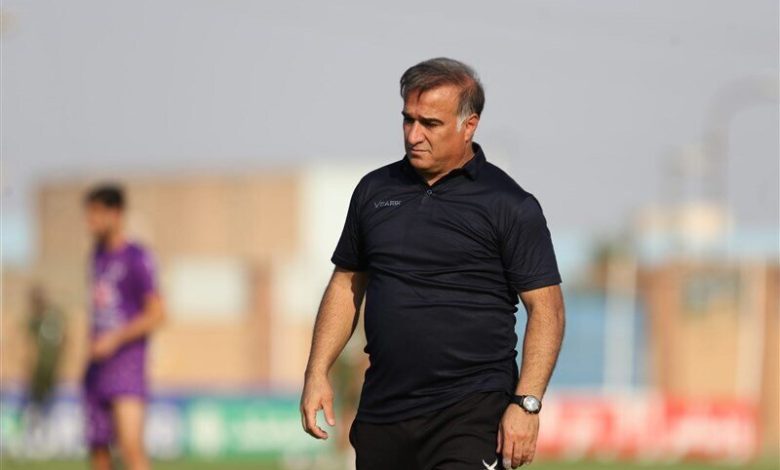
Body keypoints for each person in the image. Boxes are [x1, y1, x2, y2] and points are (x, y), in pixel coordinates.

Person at [300, 57, 566, 470]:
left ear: (469, 125)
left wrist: (526, 403)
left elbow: (547, 309)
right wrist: (317, 371)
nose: (414, 135)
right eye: (408, 120)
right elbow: (346, 284)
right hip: (384, 412)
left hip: (471, 412)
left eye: (430, 123)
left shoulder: (509, 204)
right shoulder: (374, 191)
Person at [82, 184, 165, 470]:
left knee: (131, 448)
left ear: (115, 214)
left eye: (96, 214)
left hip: (127, 364)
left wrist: (115, 339)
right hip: (96, 367)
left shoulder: (137, 258)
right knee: (99, 452)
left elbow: (157, 314)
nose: (90, 222)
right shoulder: (96, 256)